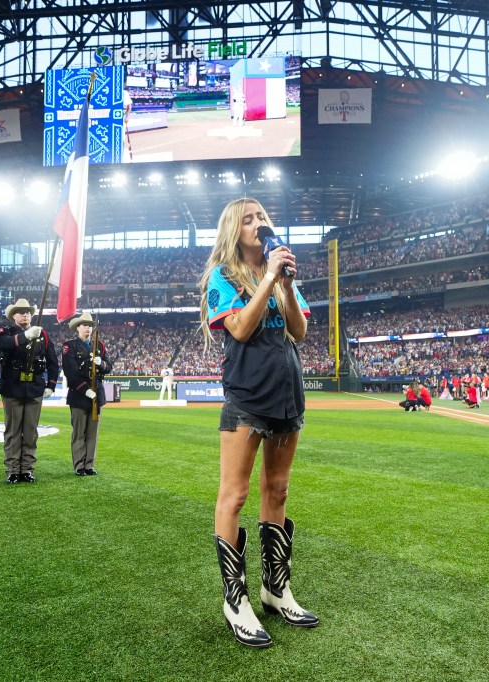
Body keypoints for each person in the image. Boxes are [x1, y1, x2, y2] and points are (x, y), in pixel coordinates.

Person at [199, 197, 318, 649]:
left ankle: (276, 589)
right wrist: (268, 277)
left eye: (262, 217)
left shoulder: (281, 274)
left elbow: (299, 331)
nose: (258, 223)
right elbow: (243, 329)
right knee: (235, 495)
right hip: (248, 395)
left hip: (288, 391)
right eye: (247, 219)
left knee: (279, 489)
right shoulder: (223, 276)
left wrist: (283, 283)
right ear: (233, 229)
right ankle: (236, 601)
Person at [0, 298, 59, 484]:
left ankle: (27, 469)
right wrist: (25, 336)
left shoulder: (43, 335)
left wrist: (51, 385)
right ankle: (13, 470)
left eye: (28, 312)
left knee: (30, 432)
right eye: (21, 312)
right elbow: (2, 345)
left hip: (34, 387)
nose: (25, 314)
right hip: (13, 387)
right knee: (13, 431)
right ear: (13, 315)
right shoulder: (5, 331)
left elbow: (52, 360)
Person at [61, 312, 112, 476]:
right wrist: (85, 390)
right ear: (78, 327)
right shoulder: (70, 346)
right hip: (78, 395)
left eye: (90, 325)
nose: (88, 328)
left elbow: (109, 367)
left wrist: (102, 364)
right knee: (79, 432)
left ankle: (89, 464)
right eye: (84, 325)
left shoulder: (100, 346)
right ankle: (79, 465)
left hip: (97, 395)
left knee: (92, 433)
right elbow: (71, 372)